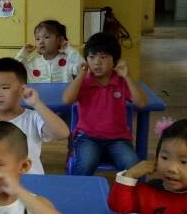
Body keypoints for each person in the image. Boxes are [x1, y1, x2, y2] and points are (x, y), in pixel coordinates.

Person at [61, 32, 148, 178]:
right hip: (88, 138)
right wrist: (81, 75)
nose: (97, 62)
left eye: (103, 57)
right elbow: (67, 100)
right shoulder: (84, 82)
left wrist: (127, 76)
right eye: (91, 57)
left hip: (118, 139)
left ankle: (128, 193)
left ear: (115, 60)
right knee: (85, 164)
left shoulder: (121, 82)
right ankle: (76, 192)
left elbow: (142, 103)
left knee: (132, 164)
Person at [15, 20, 82, 83]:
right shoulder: (33, 62)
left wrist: (69, 50)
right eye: (37, 39)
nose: (41, 42)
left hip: (65, 92)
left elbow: (83, 68)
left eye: (46, 37)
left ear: (59, 40)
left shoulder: (68, 60)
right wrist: (24, 53)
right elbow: (13, 69)